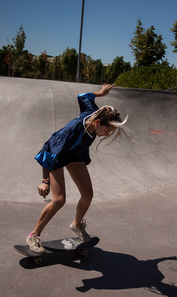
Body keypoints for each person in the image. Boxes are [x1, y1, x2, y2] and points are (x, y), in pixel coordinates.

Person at [26, 84, 129, 254]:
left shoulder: (95, 112)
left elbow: (83, 96)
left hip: (77, 156)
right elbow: (49, 148)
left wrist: (100, 93)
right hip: (57, 156)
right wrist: (45, 181)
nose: (106, 134)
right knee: (59, 200)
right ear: (97, 122)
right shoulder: (72, 131)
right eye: (106, 130)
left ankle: (76, 224)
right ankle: (34, 235)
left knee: (87, 195)